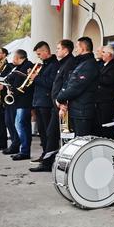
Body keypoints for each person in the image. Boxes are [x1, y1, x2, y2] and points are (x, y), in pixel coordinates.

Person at [32, 39, 77, 172]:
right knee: (48, 133)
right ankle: (47, 159)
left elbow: (62, 84)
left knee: (52, 134)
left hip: (56, 104)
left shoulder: (66, 63)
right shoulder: (62, 63)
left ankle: (49, 161)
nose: (56, 51)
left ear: (65, 50)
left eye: (58, 48)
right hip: (53, 102)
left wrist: (61, 100)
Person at [56, 37, 98, 138]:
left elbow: (76, 87)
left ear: (83, 48)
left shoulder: (89, 65)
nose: (75, 50)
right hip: (77, 109)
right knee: (78, 141)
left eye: (77, 47)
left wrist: (59, 98)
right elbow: (69, 82)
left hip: (83, 111)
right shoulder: (81, 63)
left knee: (83, 142)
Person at [30, 41, 59, 161]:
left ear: (46, 52)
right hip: (39, 101)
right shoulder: (44, 64)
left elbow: (51, 83)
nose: (38, 56)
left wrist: (36, 77)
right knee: (42, 131)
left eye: (39, 54)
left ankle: (49, 157)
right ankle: (44, 154)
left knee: (48, 132)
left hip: (46, 102)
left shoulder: (54, 64)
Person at [3, 50, 34, 161]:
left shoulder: (28, 66)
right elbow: (11, 80)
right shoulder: (17, 67)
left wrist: (14, 90)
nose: (12, 60)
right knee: (20, 126)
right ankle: (23, 150)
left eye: (14, 58)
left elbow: (25, 84)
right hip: (17, 101)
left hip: (24, 101)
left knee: (21, 126)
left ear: (18, 57)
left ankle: (25, 151)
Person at [95, 45, 114, 139]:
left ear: (109, 54)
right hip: (99, 101)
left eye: (103, 52)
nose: (101, 54)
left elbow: (108, 80)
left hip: (108, 101)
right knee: (99, 126)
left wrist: (96, 76)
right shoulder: (102, 64)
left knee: (106, 126)